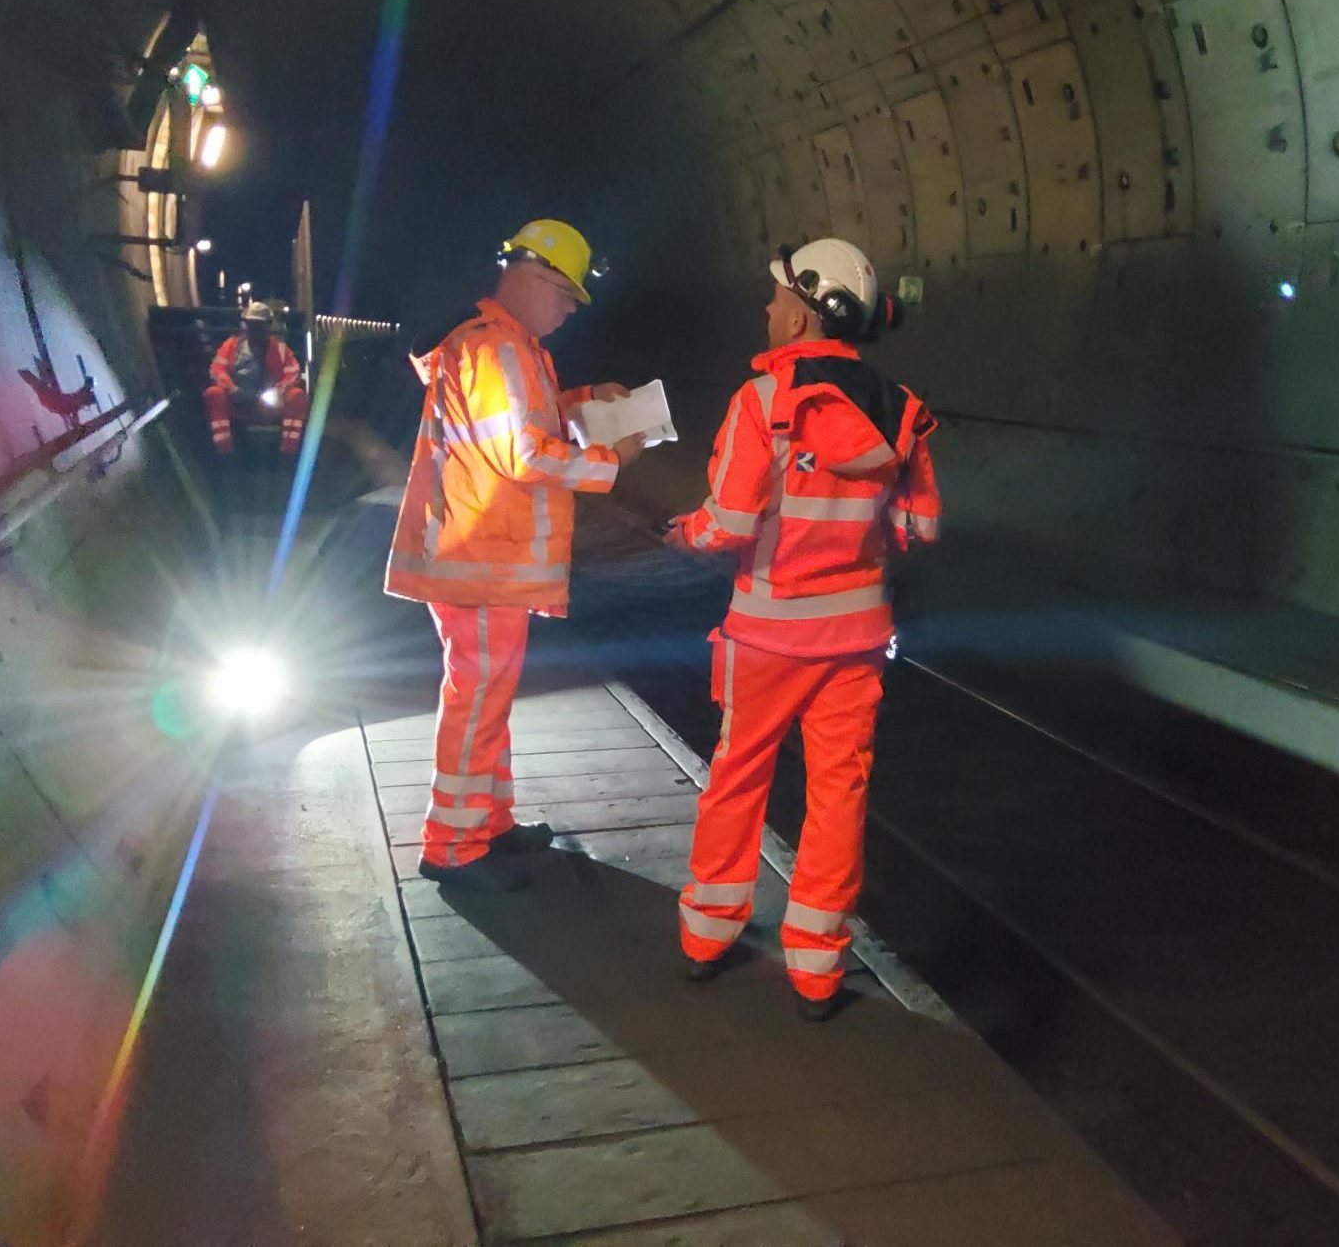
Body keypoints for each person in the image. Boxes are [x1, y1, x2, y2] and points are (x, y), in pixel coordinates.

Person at [666, 237, 940, 1020]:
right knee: (839, 791)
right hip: (854, 642)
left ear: (805, 311)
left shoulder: (764, 403)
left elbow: (727, 523)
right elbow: (920, 529)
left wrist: (683, 532)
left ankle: (708, 937)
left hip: (766, 634)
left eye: (777, 294)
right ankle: (818, 967)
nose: (767, 306)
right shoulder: (904, 410)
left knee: (738, 779)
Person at [385, 219, 647, 891]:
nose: (566, 314)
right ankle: (452, 845)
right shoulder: (500, 350)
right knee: (475, 703)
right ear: (535, 279)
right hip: (482, 562)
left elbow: (527, 419)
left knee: (485, 700)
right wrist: (612, 461)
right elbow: (525, 452)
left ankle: (487, 823)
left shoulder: (501, 345)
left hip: (481, 561)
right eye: (565, 298)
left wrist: (587, 402)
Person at [203, 302, 308, 458]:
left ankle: (289, 453)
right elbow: (217, 369)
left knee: (297, 396)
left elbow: (292, 374)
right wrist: (231, 389)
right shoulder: (231, 345)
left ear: (268, 325)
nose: (255, 329)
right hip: (237, 400)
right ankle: (225, 452)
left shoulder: (279, 348)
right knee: (213, 394)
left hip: (269, 405)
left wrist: (277, 392)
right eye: (251, 324)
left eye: (259, 324)